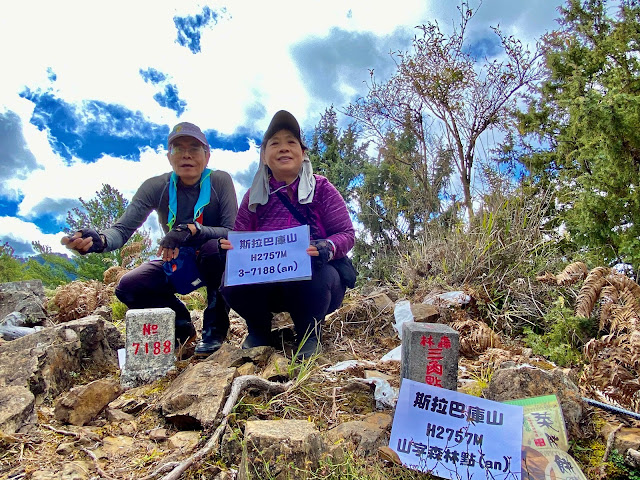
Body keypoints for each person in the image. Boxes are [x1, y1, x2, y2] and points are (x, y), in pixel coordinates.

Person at [62, 122, 238, 357]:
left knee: (217, 249)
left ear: (207, 156)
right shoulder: (157, 186)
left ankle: (214, 331)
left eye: (194, 148)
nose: (186, 155)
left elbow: (231, 231)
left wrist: (193, 230)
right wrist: (101, 241)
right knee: (129, 287)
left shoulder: (219, 181)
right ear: (169, 156)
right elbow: (122, 229)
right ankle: (181, 327)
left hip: (215, 257)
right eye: (178, 148)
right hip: (176, 259)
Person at [220, 110, 355, 359]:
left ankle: (308, 333)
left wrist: (327, 246)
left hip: (316, 283)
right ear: (263, 156)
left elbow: (346, 233)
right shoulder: (253, 196)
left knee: (317, 273)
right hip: (267, 283)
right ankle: (259, 330)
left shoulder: (323, 188)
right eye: (275, 143)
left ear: (303, 153)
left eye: (291, 142)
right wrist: (231, 248)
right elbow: (240, 236)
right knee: (229, 278)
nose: (284, 148)